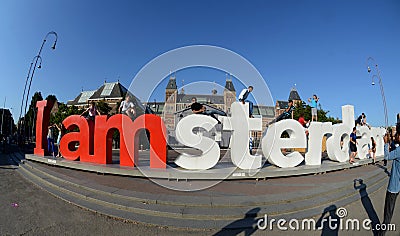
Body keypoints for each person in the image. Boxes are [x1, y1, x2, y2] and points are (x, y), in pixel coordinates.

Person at [378, 132, 400, 236]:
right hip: (398, 186)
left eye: (397, 135)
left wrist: (386, 143)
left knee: (388, 213)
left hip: (393, 187)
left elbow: (386, 156)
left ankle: (381, 234)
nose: (396, 137)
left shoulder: (399, 150)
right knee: (389, 212)